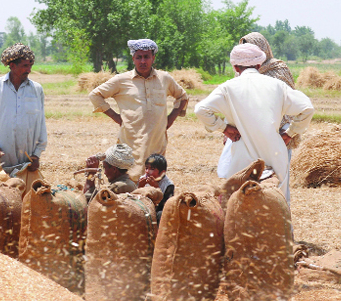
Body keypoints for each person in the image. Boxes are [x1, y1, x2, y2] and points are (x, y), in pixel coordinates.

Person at [194, 43, 314, 204]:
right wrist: (290, 133)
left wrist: (223, 128)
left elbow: (201, 109)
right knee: (278, 205)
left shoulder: (227, 88)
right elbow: (307, 108)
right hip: (275, 154)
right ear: (259, 65)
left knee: (239, 206)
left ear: (236, 67)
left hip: (241, 158)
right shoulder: (277, 86)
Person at [88, 39, 189, 181]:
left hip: (157, 139)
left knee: (154, 178)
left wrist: (169, 120)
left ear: (153, 58)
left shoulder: (164, 78)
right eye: (138, 57)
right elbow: (95, 95)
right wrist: (116, 117)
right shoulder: (121, 80)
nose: (143, 61)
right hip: (131, 139)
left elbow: (182, 96)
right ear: (133, 59)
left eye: (146, 57)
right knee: (129, 177)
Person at [0, 43, 47, 189]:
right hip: (0, 164)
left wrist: (37, 155)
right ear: (12, 66)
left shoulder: (36, 89)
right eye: (24, 65)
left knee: (26, 207)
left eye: (30, 65)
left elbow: (41, 123)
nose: (29, 70)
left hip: (26, 165)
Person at [138, 153, 174, 219]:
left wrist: (156, 188)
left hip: (156, 213)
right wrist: (140, 188)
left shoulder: (168, 185)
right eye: (146, 168)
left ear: (162, 173)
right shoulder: (142, 179)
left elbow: (166, 206)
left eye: (152, 169)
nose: (147, 171)